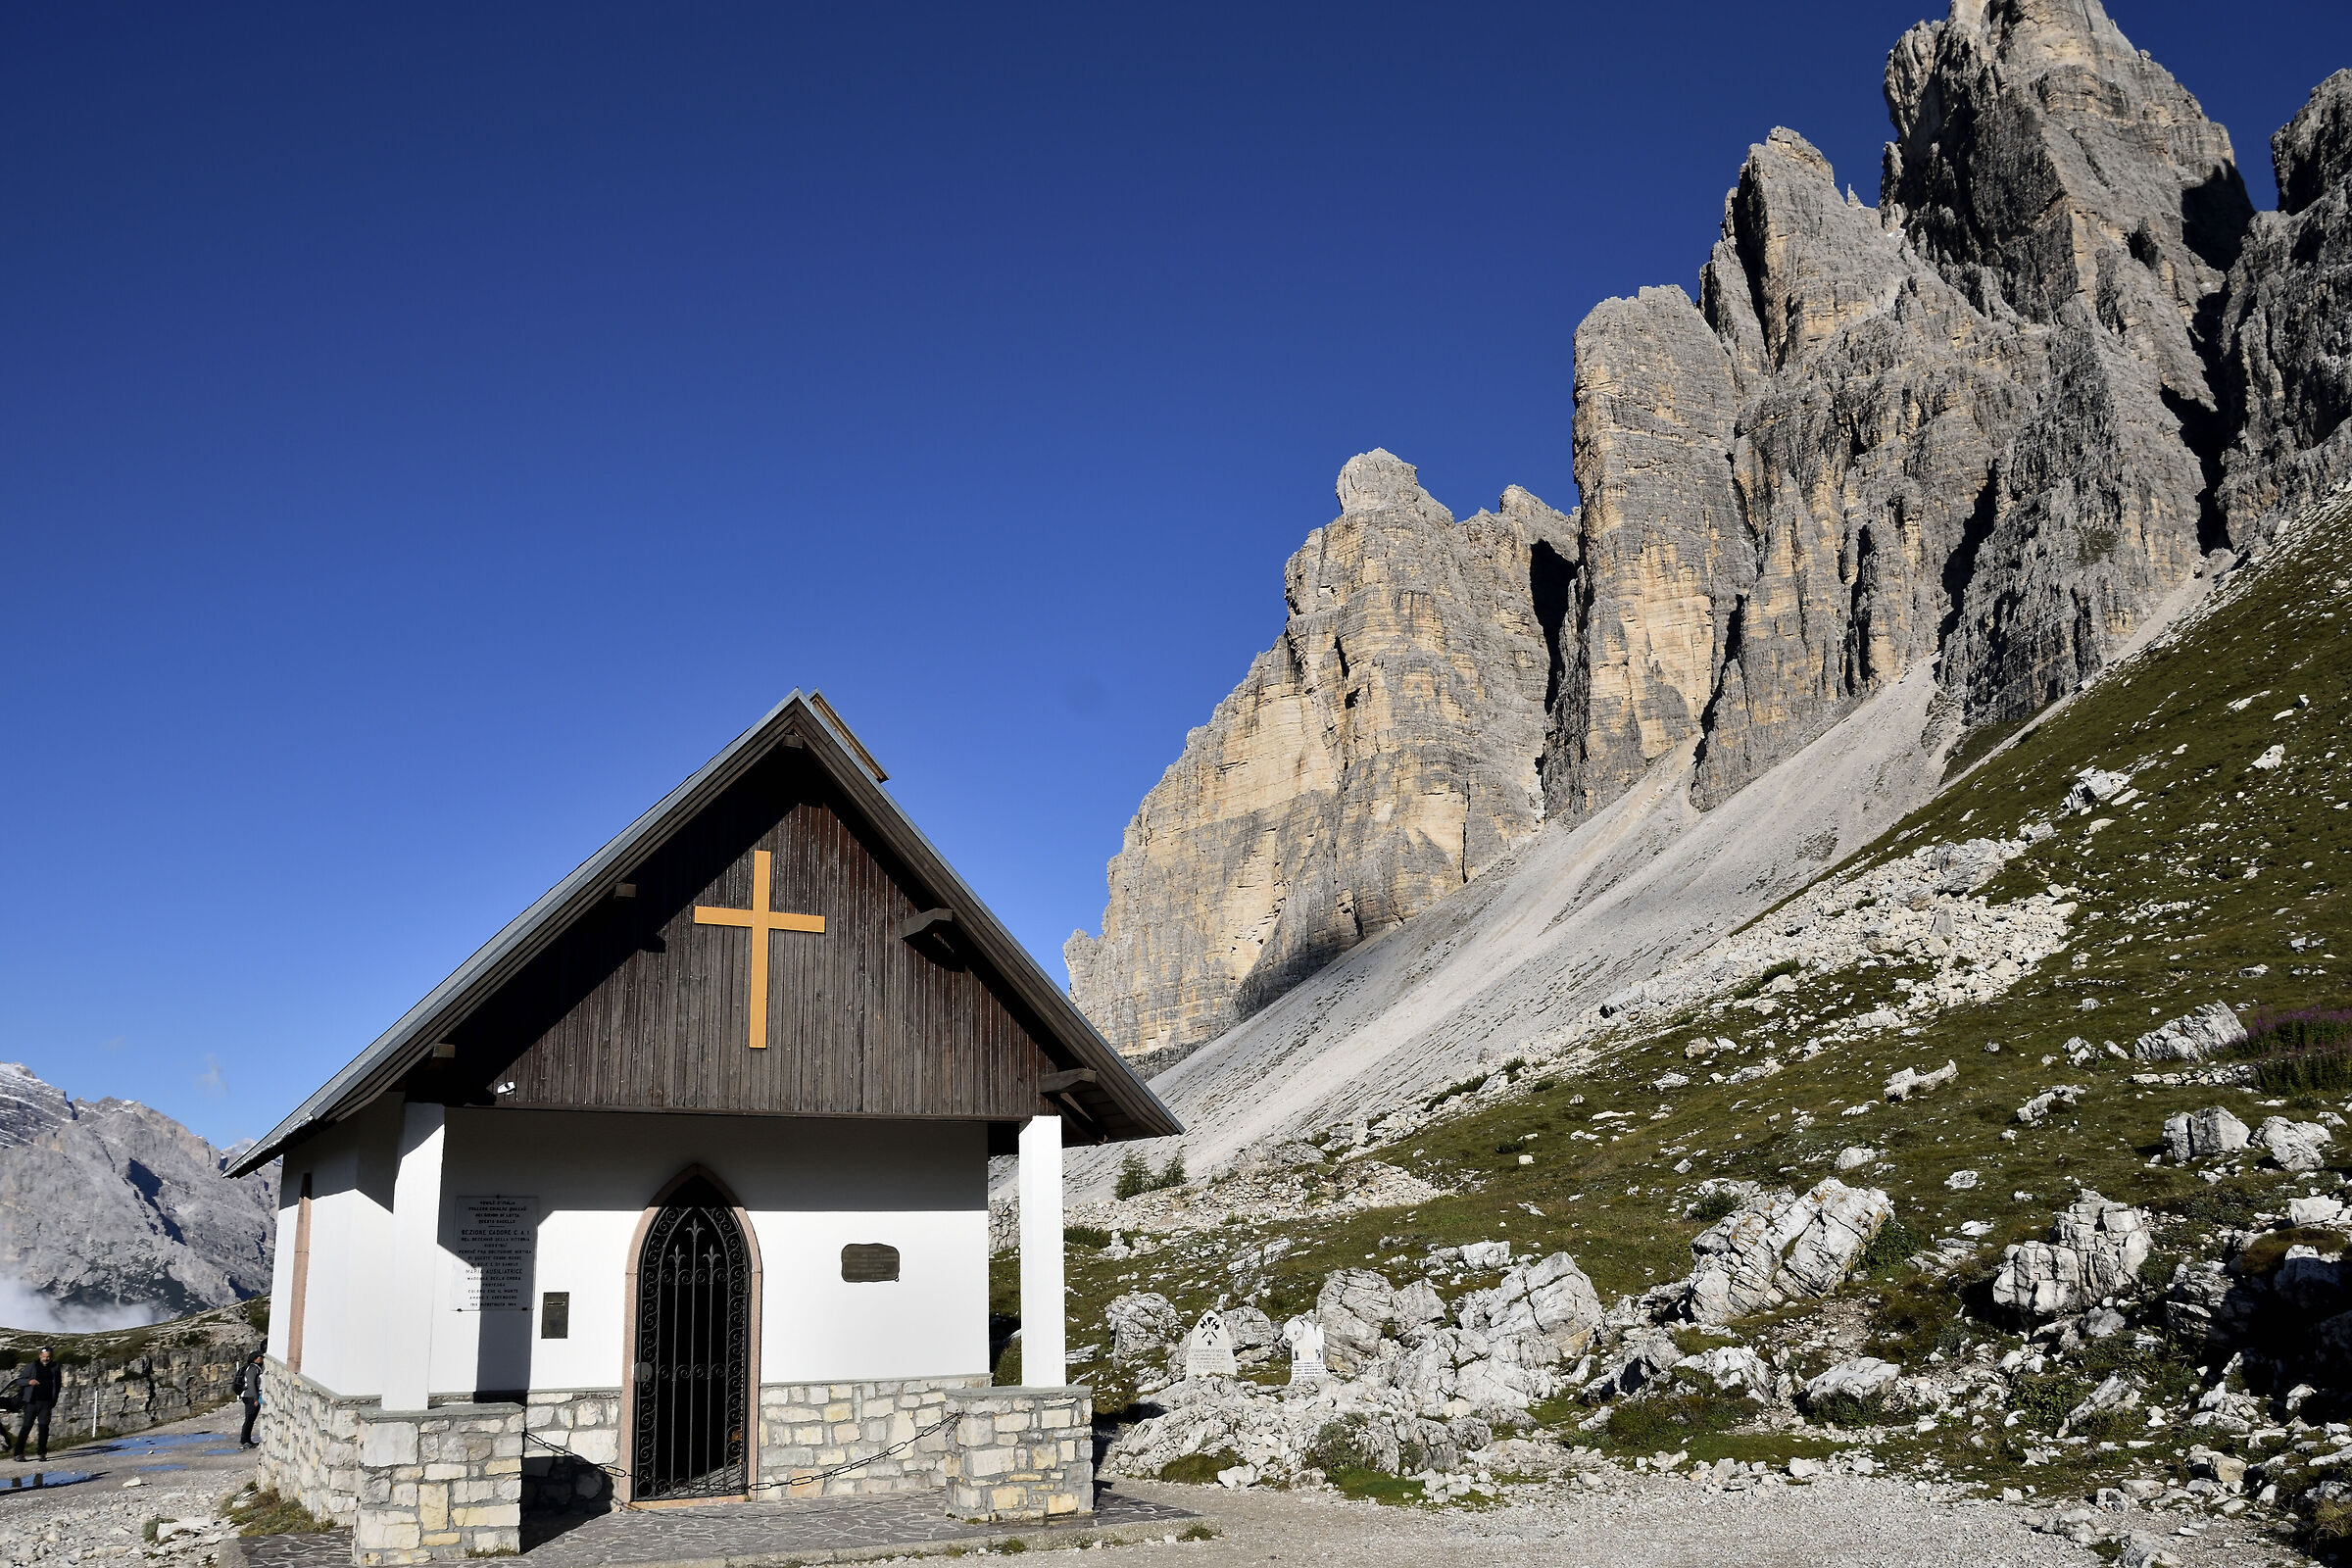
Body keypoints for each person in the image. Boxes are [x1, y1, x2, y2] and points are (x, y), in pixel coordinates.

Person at [12, 1348, 60, 1461]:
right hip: (31, 1402)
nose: (46, 1358)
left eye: (48, 1356)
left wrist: (54, 1399)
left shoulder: (55, 1367)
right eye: (44, 1356)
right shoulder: (32, 1366)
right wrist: (29, 1382)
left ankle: (42, 1453)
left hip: (46, 1402)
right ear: (40, 1356)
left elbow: (57, 1384)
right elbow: (18, 1380)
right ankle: (18, 1453)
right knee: (26, 1427)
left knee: (44, 1428)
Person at [232, 1350, 264, 1447]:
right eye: (259, 1357)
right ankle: (245, 1440)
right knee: (249, 1419)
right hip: (250, 1396)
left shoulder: (252, 1368)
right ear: (255, 1359)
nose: (261, 1359)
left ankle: (246, 1440)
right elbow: (251, 1384)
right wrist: (255, 1398)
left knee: (250, 1419)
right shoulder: (253, 1369)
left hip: (248, 1396)